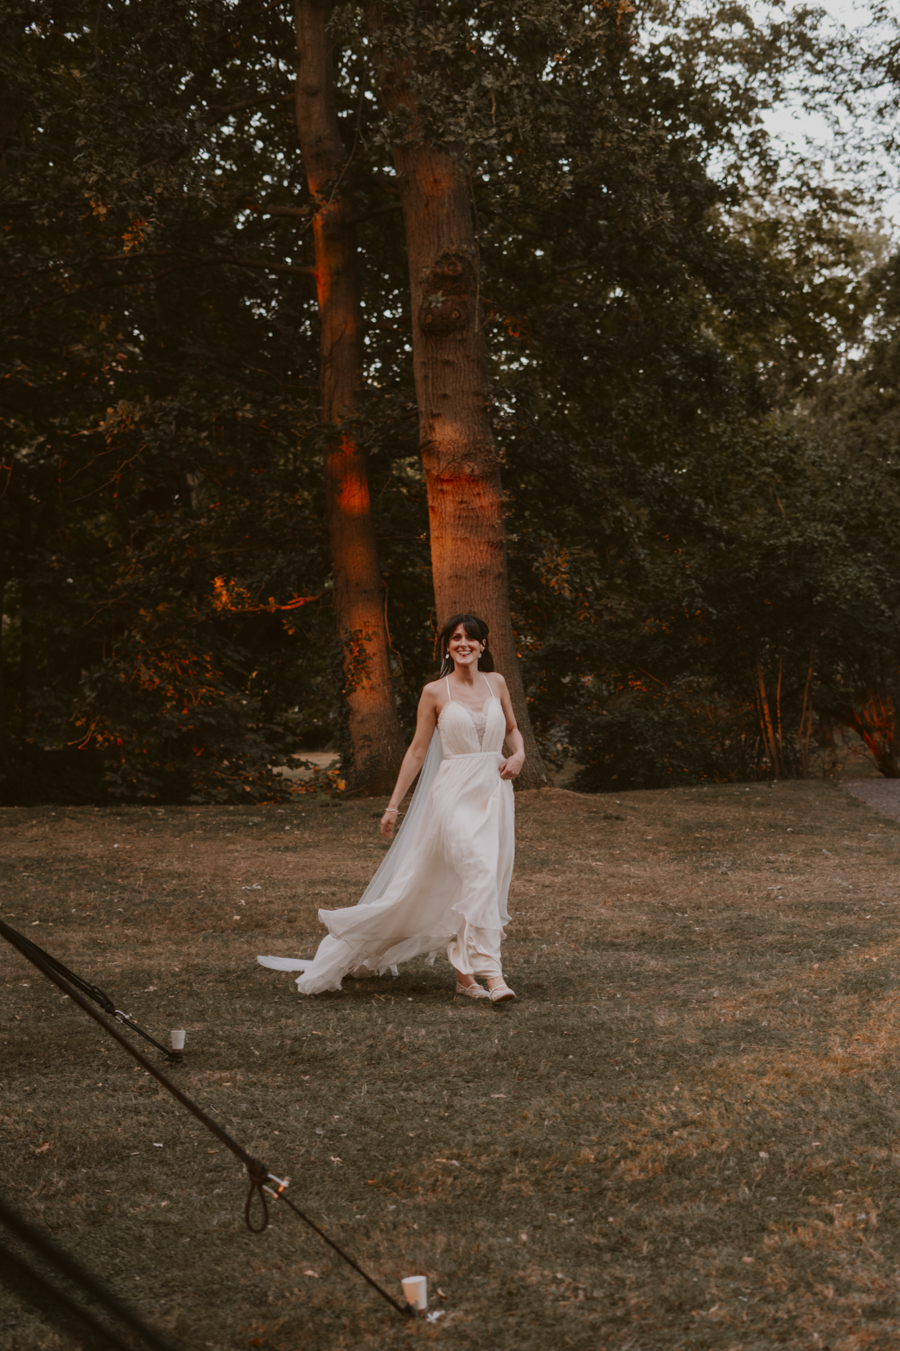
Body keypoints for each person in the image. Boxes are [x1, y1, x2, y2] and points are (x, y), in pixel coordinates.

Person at [257, 613, 525, 1002]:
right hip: (453, 795)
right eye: (455, 638)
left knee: (480, 880)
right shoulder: (434, 692)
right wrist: (393, 806)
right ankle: (494, 976)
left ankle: (464, 978)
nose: (463, 643)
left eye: (470, 638)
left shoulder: (496, 682)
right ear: (447, 647)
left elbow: (513, 728)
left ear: (483, 645)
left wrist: (519, 754)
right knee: (480, 871)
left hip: (494, 792)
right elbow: (417, 751)